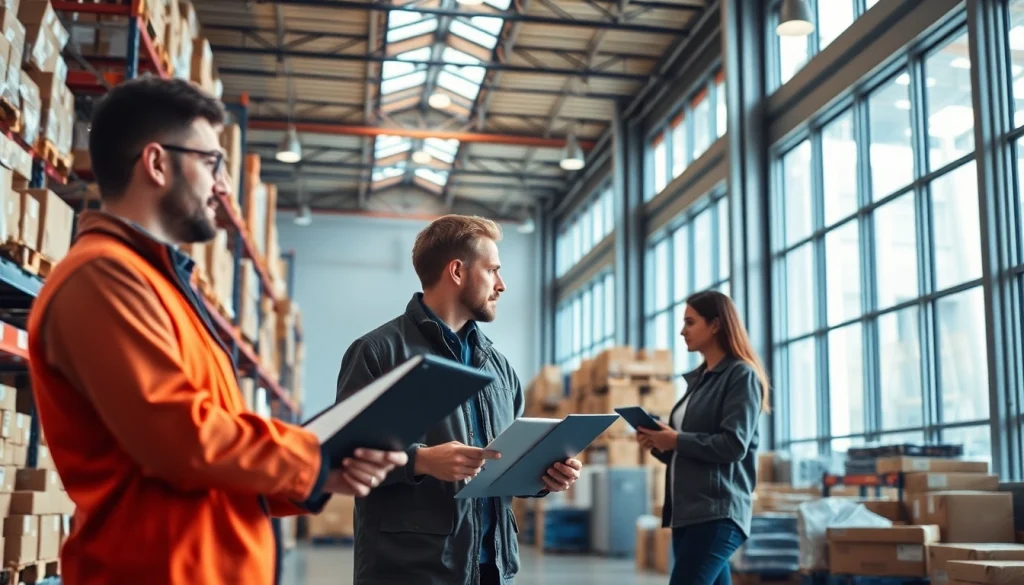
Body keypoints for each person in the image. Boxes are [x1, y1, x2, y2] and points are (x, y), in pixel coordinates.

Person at [25, 77, 406, 585]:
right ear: (157, 162)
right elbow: (180, 437)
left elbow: (213, 456)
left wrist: (314, 475)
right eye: (212, 163)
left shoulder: (156, 284)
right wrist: (311, 456)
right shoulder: (102, 277)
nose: (223, 188)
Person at [336, 215, 583, 585]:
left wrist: (546, 474)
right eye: (493, 271)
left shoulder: (498, 367)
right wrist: (419, 461)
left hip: (493, 570)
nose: (502, 285)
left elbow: (507, 460)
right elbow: (343, 457)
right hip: (411, 570)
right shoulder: (378, 353)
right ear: (457, 271)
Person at [636, 290, 770, 585]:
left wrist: (675, 440)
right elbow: (689, 450)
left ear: (715, 325)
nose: (682, 331)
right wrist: (659, 444)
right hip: (687, 513)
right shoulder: (699, 380)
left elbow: (733, 445)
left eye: (690, 322)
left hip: (717, 514)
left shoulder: (740, 375)